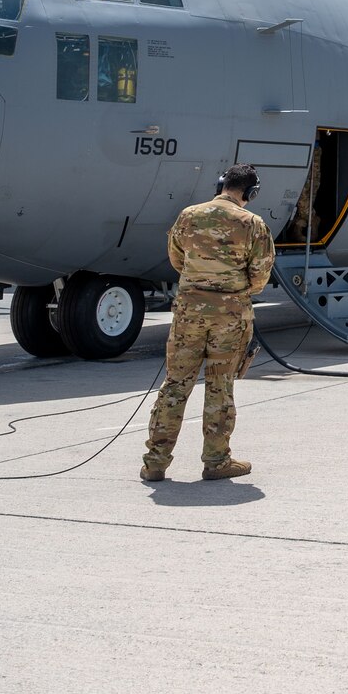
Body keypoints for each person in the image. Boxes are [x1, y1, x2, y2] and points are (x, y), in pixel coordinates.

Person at [141, 164, 277, 481]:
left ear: (221, 185)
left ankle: (155, 463)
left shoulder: (188, 215)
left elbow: (176, 259)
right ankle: (216, 462)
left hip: (188, 313)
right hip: (229, 317)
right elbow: (259, 277)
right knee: (220, 386)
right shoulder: (252, 224)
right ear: (250, 193)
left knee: (175, 385)